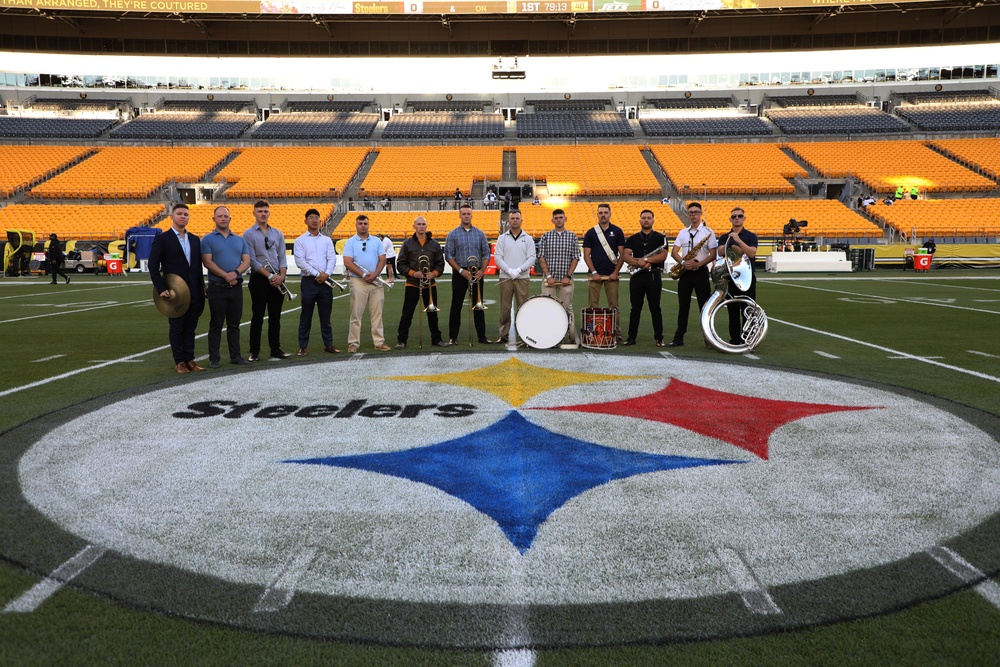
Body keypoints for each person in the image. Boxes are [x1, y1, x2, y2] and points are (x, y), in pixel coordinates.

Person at [149, 203, 205, 373]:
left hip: (194, 291)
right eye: (179, 214)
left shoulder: (195, 239)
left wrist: (202, 288)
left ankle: (190, 360)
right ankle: (179, 361)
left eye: (186, 214)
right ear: (172, 217)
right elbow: (153, 265)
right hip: (174, 292)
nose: (183, 216)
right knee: (177, 327)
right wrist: (160, 288)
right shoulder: (162, 238)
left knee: (190, 328)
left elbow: (196, 267)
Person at [200, 205, 251, 368]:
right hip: (217, 288)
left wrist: (234, 273)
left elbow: (247, 261)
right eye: (220, 216)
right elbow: (207, 262)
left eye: (226, 216)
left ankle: (235, 355)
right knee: (216, 324)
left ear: (230, 218)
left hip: (235, 288)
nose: (223, 218)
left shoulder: (240, 239)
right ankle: (214, 358)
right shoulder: (207, 239)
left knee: (234, 324)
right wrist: (226, 276)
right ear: (214, 219)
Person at [243, 199, 292, 362]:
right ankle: (254, 352)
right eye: (260, 211)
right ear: (254, 213)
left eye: (265, 211)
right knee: (257, 316)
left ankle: (275, 349)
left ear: (269, 213)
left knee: (275, 317)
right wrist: (270, 276)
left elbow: (282, 257)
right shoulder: (248, 234)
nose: (263, 214)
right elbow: (252, 260)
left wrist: (282, 276)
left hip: (278, 277)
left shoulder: (277, 233)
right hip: (260, 279)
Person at [667, 201, 718, 348]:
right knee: (683, 307)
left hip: (701, 272)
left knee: (704, 307)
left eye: (696, 212)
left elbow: (713, 254)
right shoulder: (683, 232)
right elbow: (674, 252)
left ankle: (708, 339)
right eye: (691, 212)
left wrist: (698, 264)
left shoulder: (708, 232)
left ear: (701, 213)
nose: (693, 215)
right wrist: (683, 263)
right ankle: (678, 338)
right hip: (685, 272)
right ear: (688, 214)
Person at [293, 208, 341, 357]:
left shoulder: (326, 240)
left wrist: (326, 274)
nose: (314, 220)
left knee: (326, 317)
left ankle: (328, 344)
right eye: (311, 217)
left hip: (325, 282)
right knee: (306, 316)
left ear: (320, 221)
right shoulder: (300, 240)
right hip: (309, 282)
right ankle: (303, 347)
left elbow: (331, 258)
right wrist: (317, 274)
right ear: (306, 221)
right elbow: (300, 261)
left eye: (317, 218)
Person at [395, 216, 447, 349]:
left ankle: (436, 339)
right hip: (412, 283)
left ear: (426, 226)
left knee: (432, 314)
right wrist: (413, 273)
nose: (421, 226)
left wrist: (434, 273)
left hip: (430, 284)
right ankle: (401, 340)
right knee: (407, 314)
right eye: (419, 224)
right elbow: (400, 264)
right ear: (414, 226)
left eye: (423, 224)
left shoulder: (434, 244)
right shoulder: (407, 244)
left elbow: (440, 264)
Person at [342, 214, 391, 353]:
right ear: (356, 225)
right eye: (360, 223)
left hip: (375, 279)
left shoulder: (376, 241)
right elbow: (347, 262)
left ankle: (379, 341)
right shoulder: (351, 242)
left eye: (365, 223)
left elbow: (382, 259)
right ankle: (353, 343)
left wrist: (374, 275)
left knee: (377, 313)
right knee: (356, 313)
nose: (363, 226)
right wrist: (363, 274)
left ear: (368, 225)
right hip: (358, 280)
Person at [445, 203, 492, 345]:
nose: (466, 216)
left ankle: (482, 336)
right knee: (456, 305)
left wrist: (482, 271)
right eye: (463, 214)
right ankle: (453, 337)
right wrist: (460, 270)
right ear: (460, 216)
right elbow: (449, 256)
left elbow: (486, 254)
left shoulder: (480, 233)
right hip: (460, 273)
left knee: (478, 305)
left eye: (468, 214)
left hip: (476, 273)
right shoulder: (452, 234)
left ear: (472, 215)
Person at [622, 209, 668, 347]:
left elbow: (663, 255)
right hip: (637, 277)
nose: (646, 220)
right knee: (635, 308)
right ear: (640, 220)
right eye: (644, 218)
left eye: (649, 218)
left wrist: (647, 259)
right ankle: (631, 337)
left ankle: (659, 338)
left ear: (653, 220)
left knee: (655, 308)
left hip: (653, 275)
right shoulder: (633, 238)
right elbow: (626, 255)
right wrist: (639, 263)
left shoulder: (660, 237)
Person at [537, 208, 581, 346]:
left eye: (561, 217)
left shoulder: (572, 236)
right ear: (552, 220)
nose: (558, 220)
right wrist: (548, 275)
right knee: (549, 308)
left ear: (565, 219)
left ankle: (570, 335)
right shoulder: (546, 236)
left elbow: (575, 257)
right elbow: (541, 257)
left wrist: (568, 276)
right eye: (556, 218)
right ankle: (550, 336)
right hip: (549, 279)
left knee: (567, 307)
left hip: (566, 280)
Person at [582, 203, 626, 340]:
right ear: (597, 215)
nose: (603, 215)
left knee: (614, 306)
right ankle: (592, 334)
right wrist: (594, 272)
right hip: (594, 275)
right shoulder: (591, 232)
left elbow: (622, 254)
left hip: (612, 275)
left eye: (605, 212)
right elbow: (586, 255)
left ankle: (616, 335)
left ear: (610, 214)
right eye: (600, 213)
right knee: (592, 306)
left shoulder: (617, 231)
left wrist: (615, 272)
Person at [717, 207, 759, 347]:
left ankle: (748, 340)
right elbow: (720, 251)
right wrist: (730, 239)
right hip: (731, 277)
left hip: (747, 277)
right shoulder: (725, 236)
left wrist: (738, 240)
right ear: (730, 219)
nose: (737, 218)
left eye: (739, 216)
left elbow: (751, 253)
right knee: (732, 311)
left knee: (748, 310)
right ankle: (735, 340)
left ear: (744, 218)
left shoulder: (750, 236)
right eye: (734, 216)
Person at [493, 209, 536, 345]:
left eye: (517, 218)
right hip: (506, 277)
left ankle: (524, 334)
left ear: (521, 220)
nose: (515, 220)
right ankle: (504, 335)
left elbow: (531, 258)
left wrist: (519, 270)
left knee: (523, 307)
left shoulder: (528, 238)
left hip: (522, 278)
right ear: (508, 221)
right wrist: (509, 270)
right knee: (505, 308)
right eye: (512, 218)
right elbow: (498, 258)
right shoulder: (502, 238)